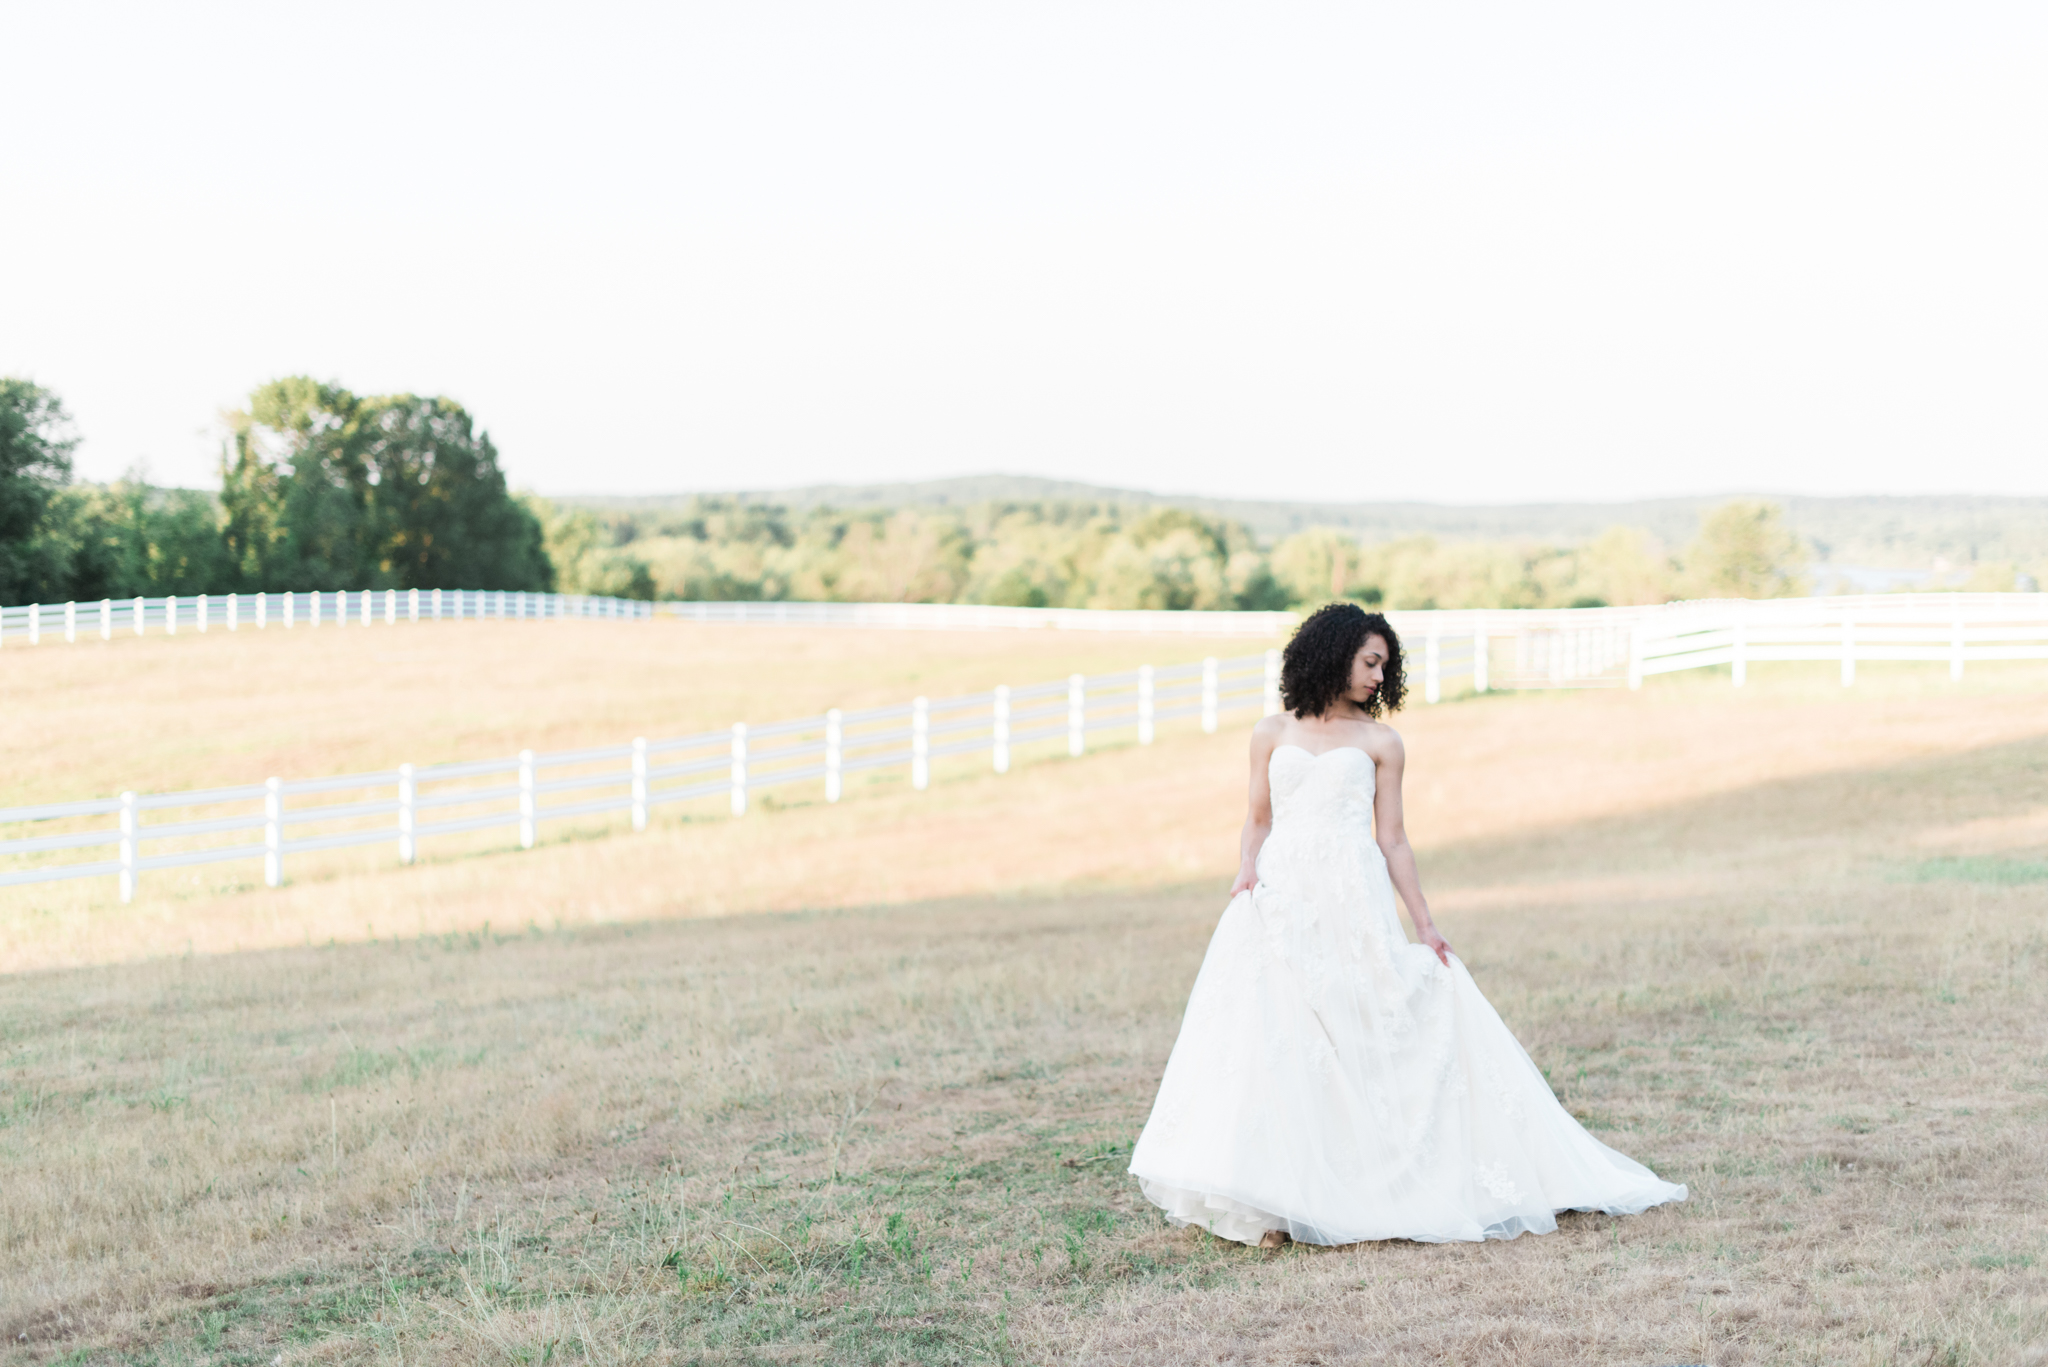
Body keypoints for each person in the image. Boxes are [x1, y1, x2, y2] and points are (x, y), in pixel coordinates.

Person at [1127, 602, 1686, 1246]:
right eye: (1369, 662)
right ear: (1333, 653)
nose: (1376, 677)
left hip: (1350, 895)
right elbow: (1258, 816)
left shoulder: (1380, 741)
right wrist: (1246, 871)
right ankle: (1274, 1204)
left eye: (1383, 667)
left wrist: (1426, 924)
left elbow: (1392, 840)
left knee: (1359, 1025)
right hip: (1282, 895)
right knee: (1279, 1033)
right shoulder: (1270, 732)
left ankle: (1367, 1178)